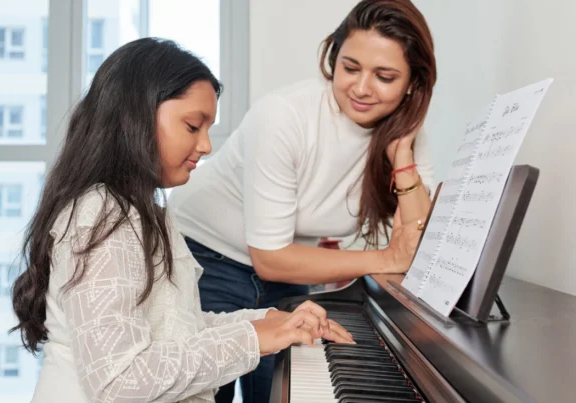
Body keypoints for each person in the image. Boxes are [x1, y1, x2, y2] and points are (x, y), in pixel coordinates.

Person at [9, 37, 354, 403]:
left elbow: (175, 329)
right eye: (193, 126)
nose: (206, 145)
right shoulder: (100, 217)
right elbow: (120, 381)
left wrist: (270, 320)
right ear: (135, 118)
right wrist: (253, 338)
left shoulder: (140, 211)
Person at [167, 0, 438, 401]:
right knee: (207, 396)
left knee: (274, 393)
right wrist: (384, 258)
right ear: (333, 58)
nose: (362, 88)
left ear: (413, 82)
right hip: (206, 261)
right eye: (349, 68)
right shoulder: (284, 116)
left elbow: (417, 246)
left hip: (287, 274)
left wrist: (401, 158)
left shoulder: (406, 136)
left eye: (384, 76)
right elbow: (271, 256)